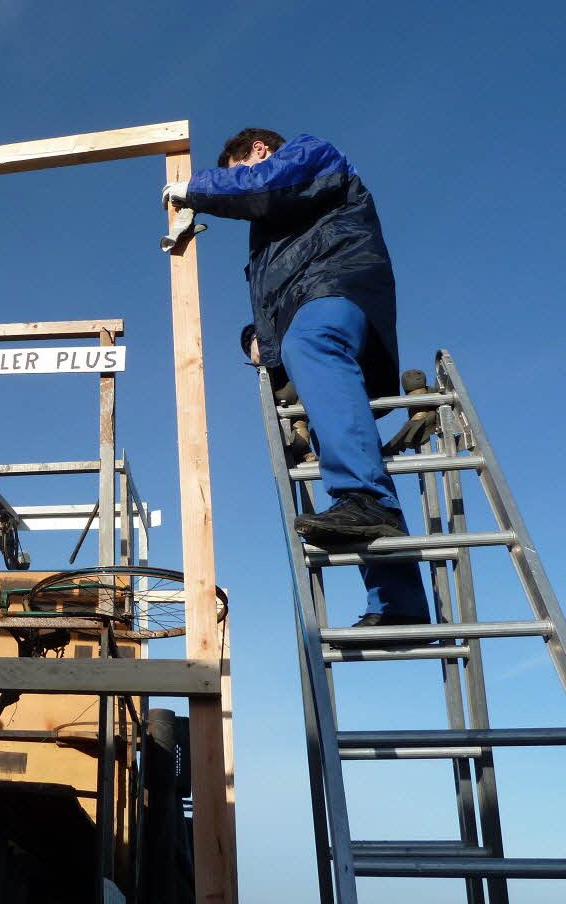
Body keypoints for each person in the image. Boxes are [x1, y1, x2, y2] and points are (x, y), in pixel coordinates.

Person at [163, 128, 429, 630]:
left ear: (258, 151)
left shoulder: (311, 154)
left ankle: (364, 500)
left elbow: (261, 185)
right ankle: (398, 602)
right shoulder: (269, 238)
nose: (233, 182)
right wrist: (253, 338)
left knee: (312, 348)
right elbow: (272, 300)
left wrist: (192, 189)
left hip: (337, 288)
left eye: (234, 170)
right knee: (344, 441)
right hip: (309, 320)